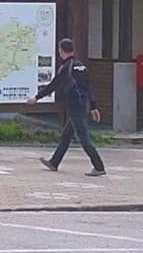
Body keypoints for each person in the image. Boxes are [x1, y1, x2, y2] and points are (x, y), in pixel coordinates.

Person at [30, 38, 106, 177]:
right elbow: (88, 87)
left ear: (61, 51)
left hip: (76, 106)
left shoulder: (67, 67)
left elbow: (53, 85)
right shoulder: (81, 66)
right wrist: (93, 107)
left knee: (83, 138)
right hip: (84, 105)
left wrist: (36, 98)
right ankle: (54, 162)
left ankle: (99, 166)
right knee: (66, 136)